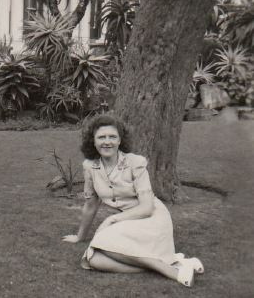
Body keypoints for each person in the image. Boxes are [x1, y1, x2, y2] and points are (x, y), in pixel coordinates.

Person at [62, 114, 204, 287]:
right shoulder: (90, 166)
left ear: (120, 140)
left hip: (151, 219)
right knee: (93, 260)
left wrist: (112, 219)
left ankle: (175, 273)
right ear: (93, 140)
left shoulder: (135, 163)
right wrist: (80, 237)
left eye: (112, 137)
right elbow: (91, 204)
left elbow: (146, 208)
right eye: (101, 137)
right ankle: (176, 263)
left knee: (103, 242)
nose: (107, 142)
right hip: (128, 223)